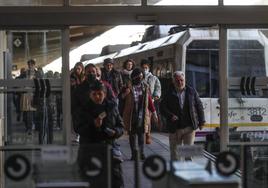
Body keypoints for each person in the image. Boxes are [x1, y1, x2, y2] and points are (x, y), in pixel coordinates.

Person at [75, 80, 124, 188]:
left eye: (100, 94)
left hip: (109, 149)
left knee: (115, 181)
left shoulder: (112, 107)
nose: (97, 97)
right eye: (94, 94)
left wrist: (116, 132)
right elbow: (78, 129)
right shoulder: (83, 109)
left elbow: (121, 126)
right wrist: (94, 125)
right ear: (90, 94)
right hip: (90, 150)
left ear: (105, 94)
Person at [160, 71, 205, 161]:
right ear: (173, 81)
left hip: (189, 127)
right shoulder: (168, 92)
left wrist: (202, 121)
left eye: (181, 80)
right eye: (177, 81)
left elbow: (199, 106)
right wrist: (170, 115)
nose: (180, 82)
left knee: (188, 154)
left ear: (185, 80)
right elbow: (162, 108)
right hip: (174, 128)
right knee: (175, 154)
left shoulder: (191, 91)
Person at [120, 68, 158, 160]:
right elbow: (120, 98)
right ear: (133, 77)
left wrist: (154, 112)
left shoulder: (145, 86)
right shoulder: (127, 87)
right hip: (131, 114)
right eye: (137, 77)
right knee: (132, 135)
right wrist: (125, 94)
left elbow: (149, 100)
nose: (139, 78)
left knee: (141, 135)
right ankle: (133, 154)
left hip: (142, 114)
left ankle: (141, 153)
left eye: (141, 76)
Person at [140, 59, 162, 131]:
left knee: (148, 117)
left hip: (150, 101)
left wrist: (155, 97)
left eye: (146, 68)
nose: (144, 69)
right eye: (143, 68)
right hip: (140, 101)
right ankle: (141, 129)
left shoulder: (154, 78)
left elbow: (158, 88)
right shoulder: (139, 77)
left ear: (149, 68)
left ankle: (148, 132)